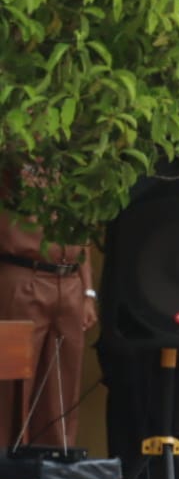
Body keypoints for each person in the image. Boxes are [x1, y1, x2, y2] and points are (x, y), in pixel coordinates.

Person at [0, 169, 96, 450]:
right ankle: (8, 475)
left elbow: (83, 231)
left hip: (68, 281)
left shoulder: (71, 166)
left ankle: (52, 468)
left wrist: (88, 292)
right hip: (23, 271)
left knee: (62, 383)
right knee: (12, 382)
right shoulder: (10, 161)